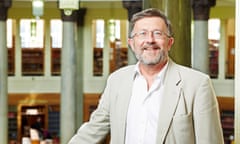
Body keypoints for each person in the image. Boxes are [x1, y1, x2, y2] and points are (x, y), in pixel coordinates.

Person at [68, 8, 224, 144]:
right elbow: (93, 130)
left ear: (169, 43)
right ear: (132, 43)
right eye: (142, 34)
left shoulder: (197, 84)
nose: (150, 40)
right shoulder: (116, 80)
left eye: (158, 33)